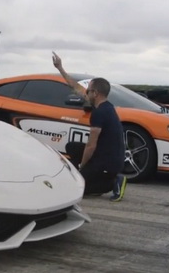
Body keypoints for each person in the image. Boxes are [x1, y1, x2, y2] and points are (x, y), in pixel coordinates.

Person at [52, 51, 127, 201]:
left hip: (108, 163)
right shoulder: (106, 106)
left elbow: (91, 145)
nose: (85, 93)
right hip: (106, 155)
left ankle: (113, 182)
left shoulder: (99, 113)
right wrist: (60, 68)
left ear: (96, 93)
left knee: (77, 190)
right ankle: (80, 176)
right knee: (72, 146)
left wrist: (83, 167)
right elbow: (75, 87)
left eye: (88, 91)